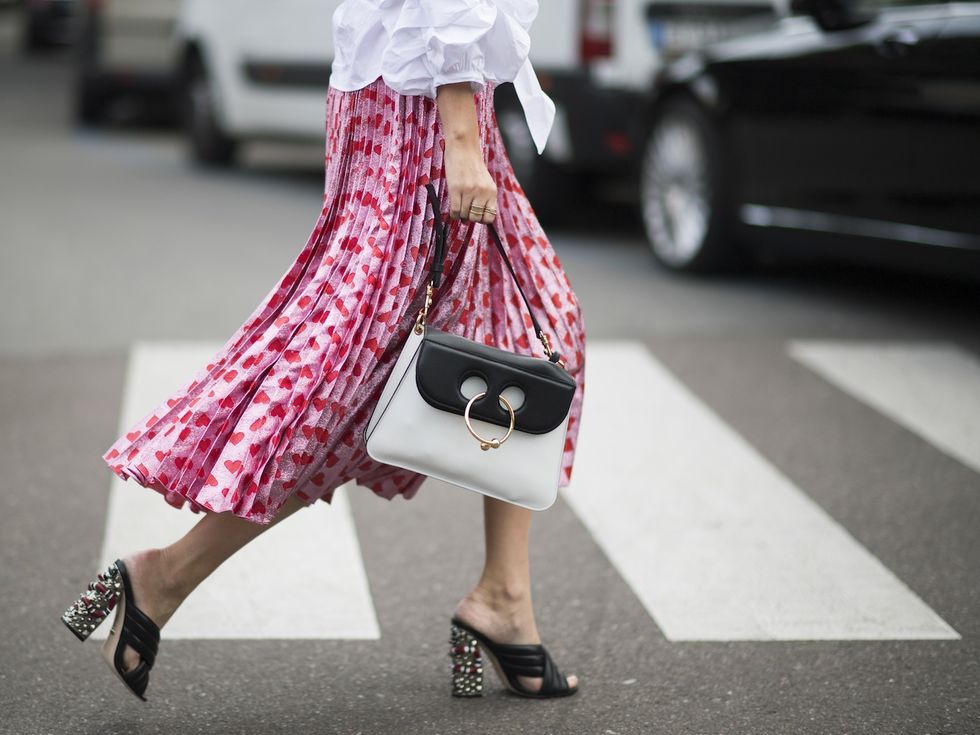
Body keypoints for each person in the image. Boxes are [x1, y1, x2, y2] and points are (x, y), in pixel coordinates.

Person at [61, 0, 586, 702]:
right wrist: (462, 136)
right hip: (423, 114)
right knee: (352, 380)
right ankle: (166, 575)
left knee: (527, 329)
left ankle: (505, 596)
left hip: (418, 98)